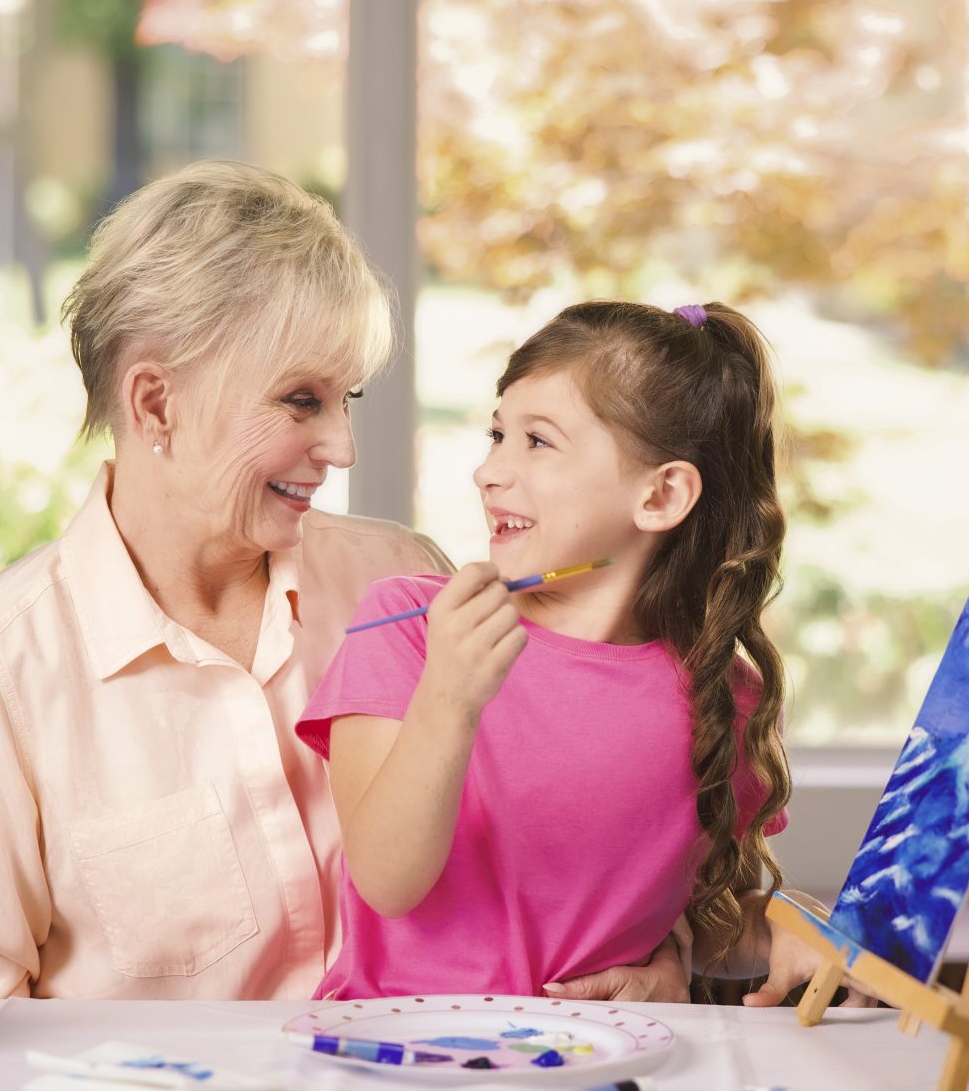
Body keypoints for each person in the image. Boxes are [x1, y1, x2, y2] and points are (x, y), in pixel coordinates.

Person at [0, 163, 690, 1001]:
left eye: (344, 398)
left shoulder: (407, 581)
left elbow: (567, 828)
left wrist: (658, 955)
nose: (343, 447)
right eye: (300, 402)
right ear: (156, 405)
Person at [300, 300, 829, 1004]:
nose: (489, 472)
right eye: (497, 434)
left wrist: (780, 928)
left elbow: (703, 925)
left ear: (662, 494)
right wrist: (449, 699)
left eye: (537, 442)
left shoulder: (722, 696)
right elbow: (388, 882)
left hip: (592, 1077)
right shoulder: (412, 627)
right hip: (397, 1066)